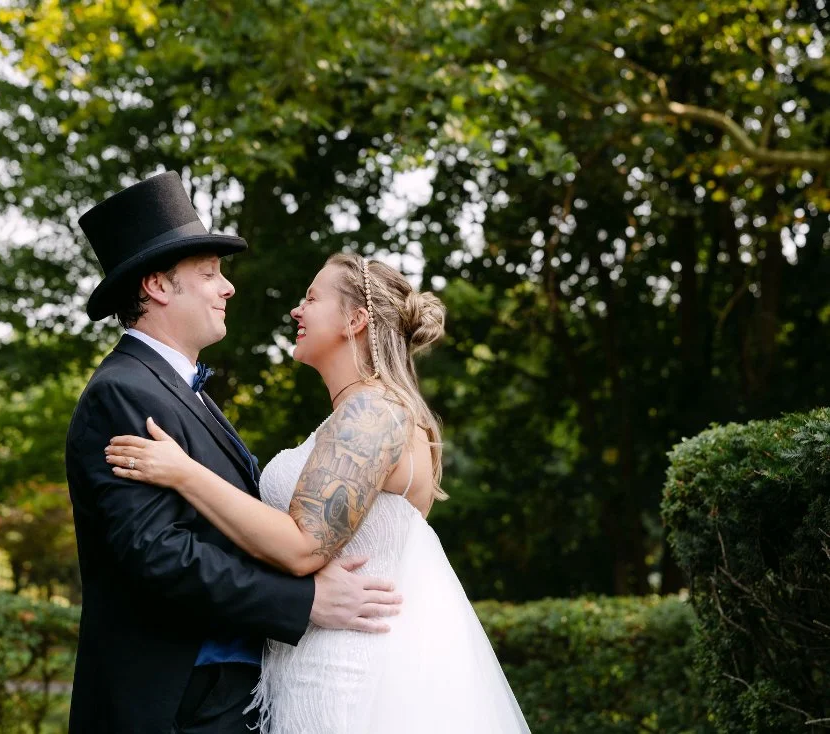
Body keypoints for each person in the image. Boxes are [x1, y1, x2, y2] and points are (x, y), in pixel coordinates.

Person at [106, 252, 533, 733]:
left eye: (311, 298)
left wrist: (183, 473)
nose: (296, 311)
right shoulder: (365, 413)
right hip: (315, 658)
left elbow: (303, 546)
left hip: (345, 670)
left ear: (354, 320)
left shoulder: (372, 414)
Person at [65, 172, 403, 734]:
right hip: (178, 702)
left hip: (223, 699)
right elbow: (159, 553)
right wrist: (304, 602)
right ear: (157, 286)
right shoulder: (124, 392)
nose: (228, 288)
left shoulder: (174, 390)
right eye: (210, 274)